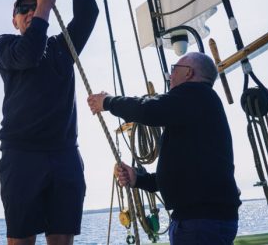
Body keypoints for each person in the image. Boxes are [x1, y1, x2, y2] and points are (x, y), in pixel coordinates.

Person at [88, 52, 242, 244]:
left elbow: (149, 109)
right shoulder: (197, 106)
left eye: (173, 70)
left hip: (200, 222)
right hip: (202, 219)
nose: (169, 76)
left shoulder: (195, 94)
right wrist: (139, 180)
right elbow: (185, 173)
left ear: (188, 73)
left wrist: (108, 102)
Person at [0, 0, 98, 244]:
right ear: (14, 20)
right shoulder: (5, 45)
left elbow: (88, 14)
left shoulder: (63, 47)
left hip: (64, 155)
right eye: (24, 8)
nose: (30, 11)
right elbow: (29, 53)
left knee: (62, 238)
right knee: (21, 238)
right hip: (21, 157)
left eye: (35, 5)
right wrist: (44, 6)